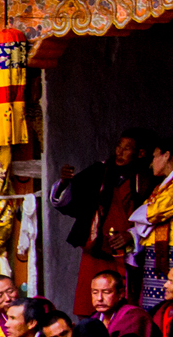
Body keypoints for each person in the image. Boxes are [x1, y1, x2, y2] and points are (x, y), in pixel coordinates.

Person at [53, 130, 149, 310]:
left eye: (127, 148)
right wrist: (65, 183)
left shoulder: (146, 179)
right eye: (118, 146)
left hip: (129, 253)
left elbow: (154, 215)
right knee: (89, 302)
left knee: (127, 302)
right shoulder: (100, 171)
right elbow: (72, 202)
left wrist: (132, 235)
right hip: (96, 248)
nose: (119, 152)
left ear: (140, 153)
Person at [130, 138, 173, 312]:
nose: (152, 163)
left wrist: (139, 216)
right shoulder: (162, 186)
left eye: (154, 157)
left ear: (166, 156)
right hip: (155, 252)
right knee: (152, 305)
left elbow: (153, 212)